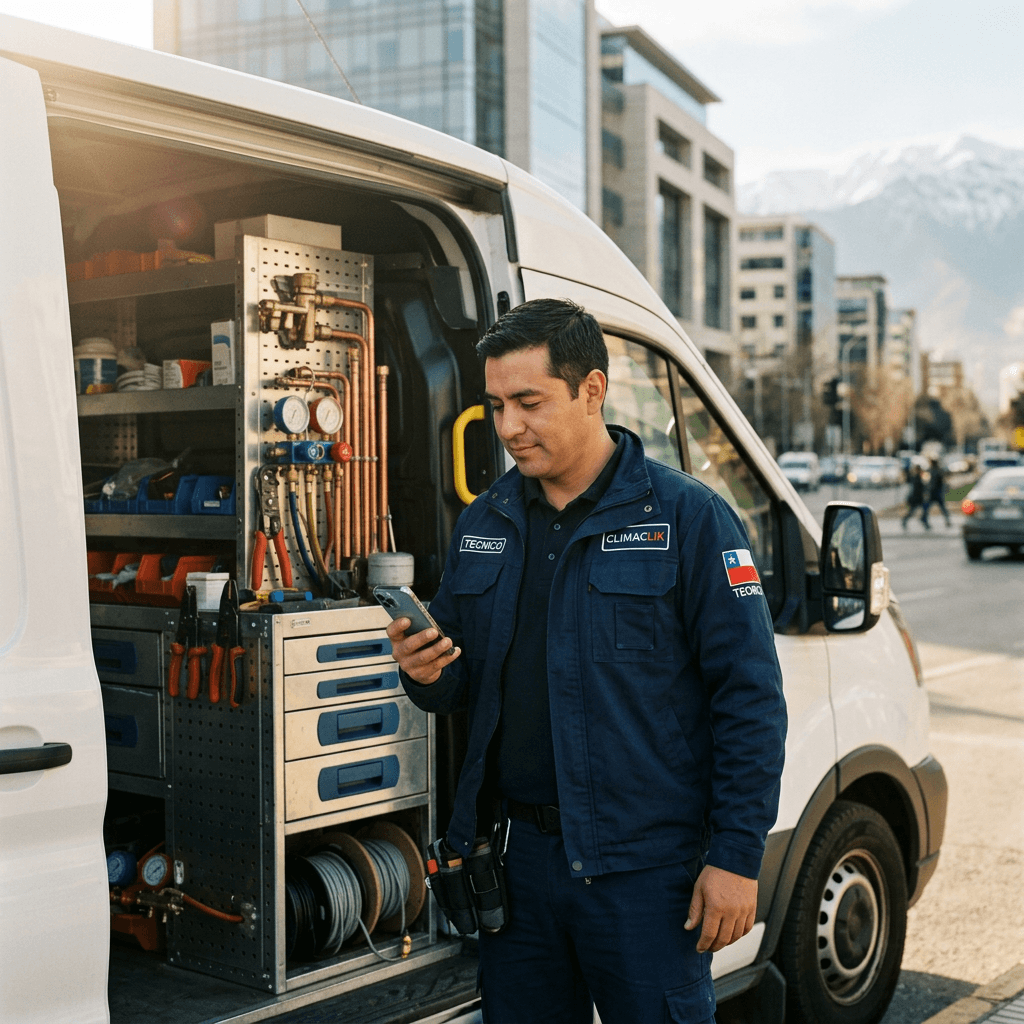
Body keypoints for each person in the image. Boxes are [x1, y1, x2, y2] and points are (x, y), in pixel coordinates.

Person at [388, 298, 787, 1024]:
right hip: (520, 869)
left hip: (648, 876)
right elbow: (462, 683)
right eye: (497, 404)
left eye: (529, 402)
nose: (508, 427)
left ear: (591, 390)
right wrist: (426, 671)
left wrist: (735, 857)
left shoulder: (688, 518)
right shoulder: (487, 520)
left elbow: (750, 699)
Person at [923, 457, 951, 527]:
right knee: (942, 508)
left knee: (928, 507)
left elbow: (932, 483)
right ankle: (947, 520)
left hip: (934, 492)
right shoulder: (939, 470)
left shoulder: (933, 471)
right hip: (938, 492)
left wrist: (928, 490)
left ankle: (924, 519)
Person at [902, 463, 929, 530]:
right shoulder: (916, 478)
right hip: (915, 498)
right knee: (912, 511)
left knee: (924, 510)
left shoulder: (918, 477)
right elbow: (919, 488)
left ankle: (924, 521)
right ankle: (905, 521)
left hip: (918, 498)